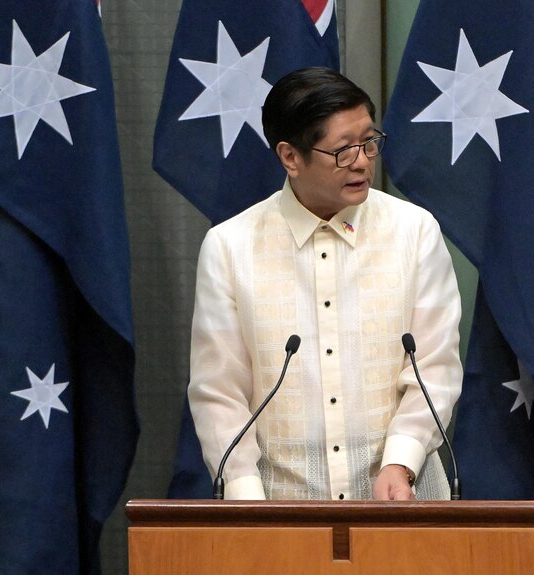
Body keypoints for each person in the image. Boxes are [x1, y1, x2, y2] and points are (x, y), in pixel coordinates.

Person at [188, 67, 462, 501]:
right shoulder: (230, 247)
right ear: (291, 157)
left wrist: (402, 460)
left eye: (369, 142)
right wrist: (245, 500)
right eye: (343, 150)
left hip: (403, 501)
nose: (362, 161)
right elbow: (219, 392)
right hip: (279, 513)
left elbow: (434, 368)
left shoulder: (414, 232)